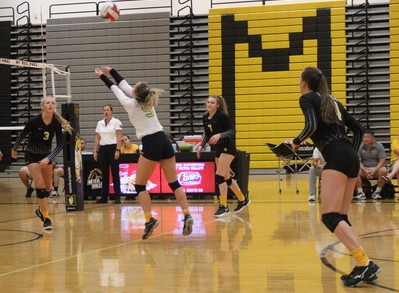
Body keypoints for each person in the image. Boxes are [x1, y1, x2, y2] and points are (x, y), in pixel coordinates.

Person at [290, 67, 380, 287]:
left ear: (304, 83)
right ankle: (363, 263)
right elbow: (358, 129)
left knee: (329, 216)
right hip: (350, 156)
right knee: (341, 217)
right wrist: (351, 152)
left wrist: (296, 141)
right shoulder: (334, 101)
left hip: (337, 157)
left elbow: (311, 126)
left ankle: (364, 262)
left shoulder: (307, 98)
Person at [95, 66, 193, 240]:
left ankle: (149, 220)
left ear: (135, 94)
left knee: (140, 186)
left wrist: (103, 76)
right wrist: (113, 71)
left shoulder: (130, 104)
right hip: (164, 140)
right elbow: (125, 85)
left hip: (151, 143)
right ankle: (187, 214)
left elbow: (117, 88)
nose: (131, 88)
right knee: (174, 182)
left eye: (134, 88)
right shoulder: (147, 100)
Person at [11, 96, 73, 230]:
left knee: (47, 189)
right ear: (43, 106)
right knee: (39, 185)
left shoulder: (56, 123)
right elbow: (22, 134)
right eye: (47, 103)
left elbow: (60, 146)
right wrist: (14, 148)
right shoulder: (34, 121)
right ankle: (46, 218)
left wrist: (48, 158)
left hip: (46, 156)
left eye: (52, 103)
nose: (50, 105)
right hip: (32, 155)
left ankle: (40, 210)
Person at [197, 95, 250, 217]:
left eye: (212, 102)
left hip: (228, 148)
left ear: (218, 105)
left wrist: (219, 135)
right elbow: (207, 134)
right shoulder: (205, 117)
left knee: (219, 176)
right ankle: (242, 199)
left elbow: (232, 131)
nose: (209, 104)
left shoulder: (222, 116)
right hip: (218, 149)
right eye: (208, 102)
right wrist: (201, 146)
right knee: (226, 177)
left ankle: (224, 206)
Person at [93, 104, 123, 204]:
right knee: (104, 174)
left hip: (113, 147)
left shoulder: (116, 122)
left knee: (115, 172)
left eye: (108, 110)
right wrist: (95, 151)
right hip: (103, 149)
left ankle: (117, 196)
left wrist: (117, 150)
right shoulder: (100, 123)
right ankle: (104, 197)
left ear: (111, 111)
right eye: (104, 110)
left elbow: (119, 137)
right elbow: (97, 138)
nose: (106, 112)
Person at [354, 129, 387, 200]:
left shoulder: (379, 146)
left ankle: (377, 192)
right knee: (354, 170)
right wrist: (365, 171)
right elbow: (358, 161)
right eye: (364, 137)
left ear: (373, 138)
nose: (365, 139)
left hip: (376, 168)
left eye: (368, 137)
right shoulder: (359, 146)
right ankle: (360, 193)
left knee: (384, 170)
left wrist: (374, 170)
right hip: (364, 169)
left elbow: (382, 161)